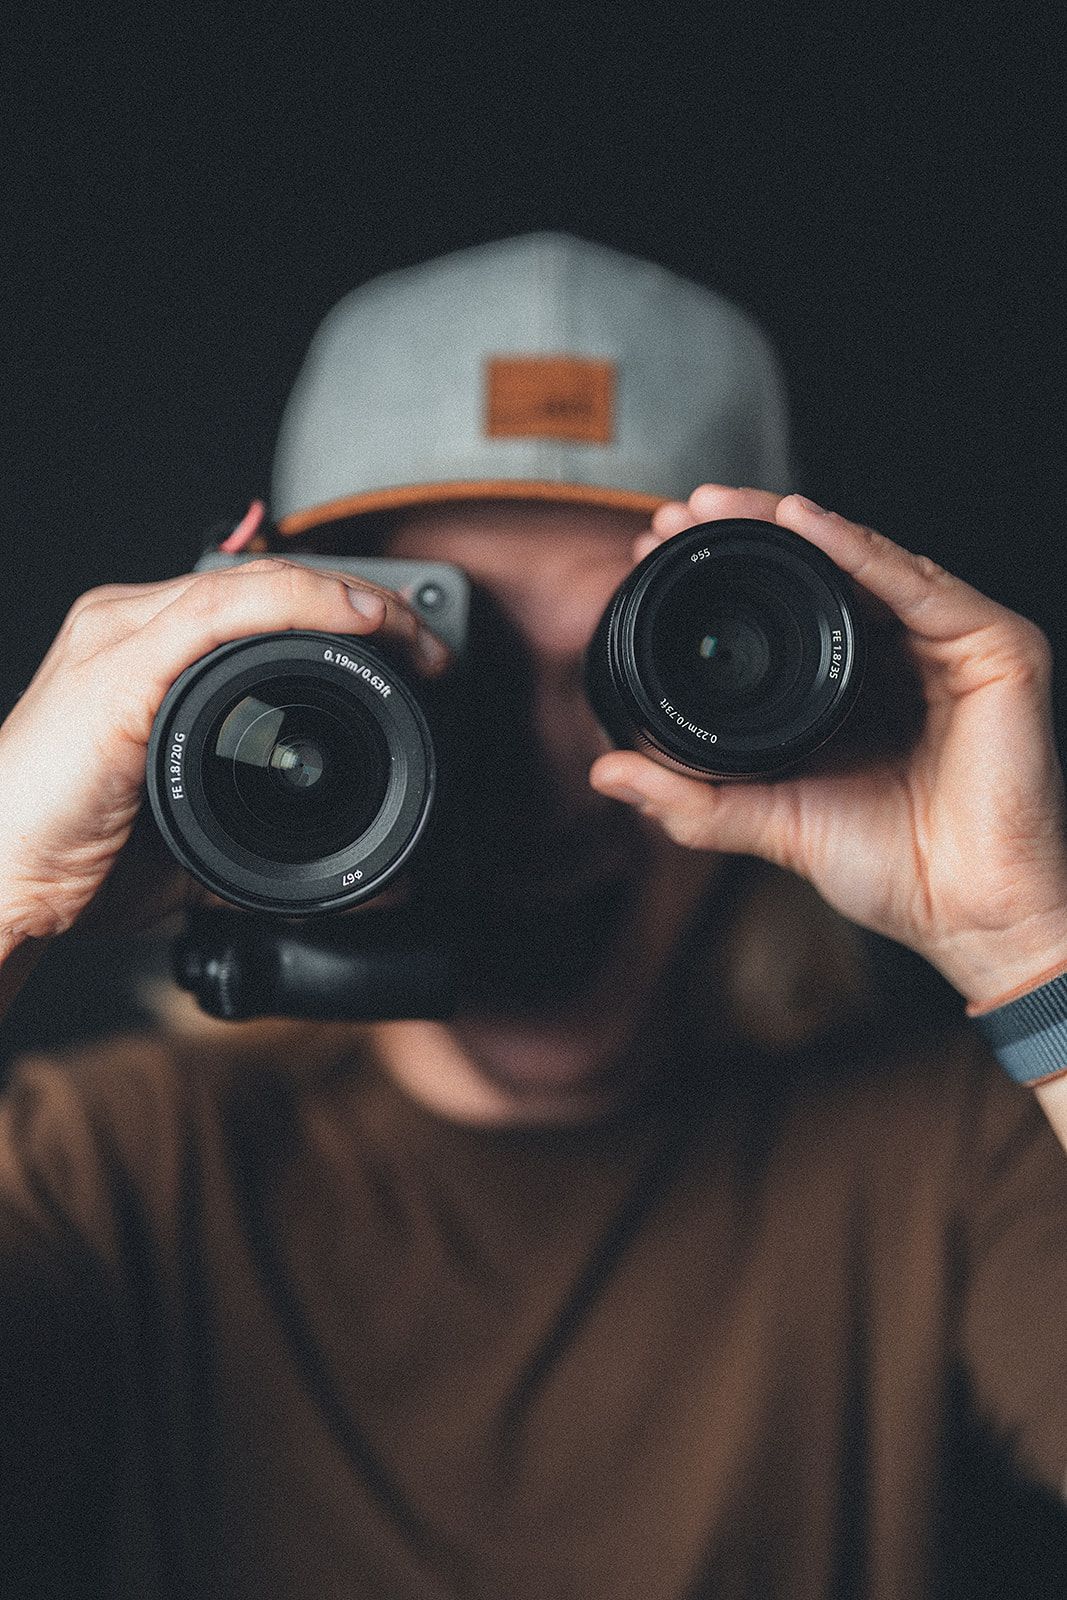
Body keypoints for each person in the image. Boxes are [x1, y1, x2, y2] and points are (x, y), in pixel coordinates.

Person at [2, 232, 1067, 1598]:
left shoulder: (951, 1162)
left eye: (637, 667)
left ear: (796, 692)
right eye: (451, 673)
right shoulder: (115, 1173)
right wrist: (11, 886)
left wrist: (1030, 949)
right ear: (252, 658)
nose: (543, 784)